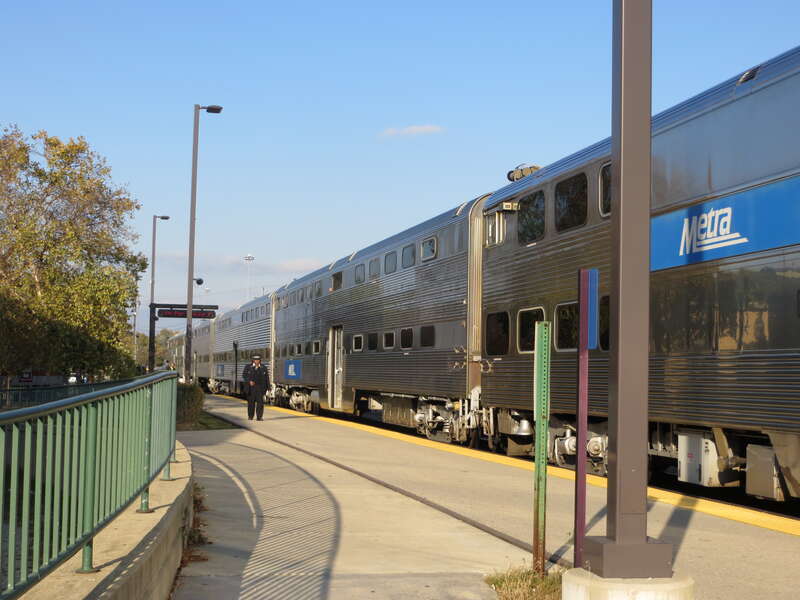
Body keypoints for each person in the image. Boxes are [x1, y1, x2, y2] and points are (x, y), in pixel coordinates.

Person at [242, 355, 269, 421]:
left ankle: (259, 417)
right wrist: (249, 381)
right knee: (251, 403)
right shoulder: (248, 367)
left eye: (258, 360)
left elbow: (267, 378)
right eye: (255, 360)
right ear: (253, 360)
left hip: (260, 388)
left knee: (260, 403)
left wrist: (268, 388)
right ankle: (250, 416)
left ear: (260, 360)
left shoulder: (263, 367)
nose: (257, 361)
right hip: (251, 388)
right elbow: (244, 375)